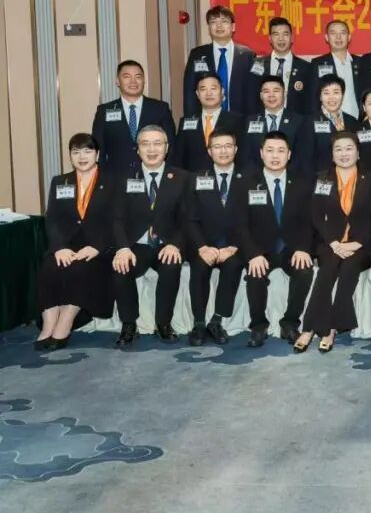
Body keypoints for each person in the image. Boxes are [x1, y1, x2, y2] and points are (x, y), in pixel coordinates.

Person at [295, 131, 371, 353]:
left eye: (349, 148)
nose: (344, 153)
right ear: (332, 154)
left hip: (362, 245)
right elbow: (316, 216)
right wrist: (334, 243)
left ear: (358, 153)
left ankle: (329, 329)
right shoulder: (322, 178)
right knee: (326, 271)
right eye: (338, 149)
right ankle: (309, 328)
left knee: (349, 270)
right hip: (331, 241)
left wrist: (358, 243)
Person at [235, 132, 315, 348]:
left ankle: (289, 323)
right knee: (255, 274)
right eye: (269, 150)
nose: (275, 156)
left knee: (305, 271)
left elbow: (310, 221)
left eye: (281, 151)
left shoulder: (302, 182)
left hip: (291, 247)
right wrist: (253, 254)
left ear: (289, 154)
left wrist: (303, 248)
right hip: (261, 248)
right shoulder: (246, 182)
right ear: (261, 153)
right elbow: (240, 224)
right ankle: (258, 326)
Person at [111, 125, 188, 347]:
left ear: (167, 148)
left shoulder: (182, 178)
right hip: (137, 244)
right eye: (145, 144)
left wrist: (175, 244)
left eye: (157, 144)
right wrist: (123, 247)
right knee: (120, 267)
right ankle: (129, 324)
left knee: (171, 266)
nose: (151, 149)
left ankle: (163, 323)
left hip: (167, 243)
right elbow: (116, 218)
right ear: (138, 149)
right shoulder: (125, 178)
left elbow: (188, 219)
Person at [36, 133, 113, 350]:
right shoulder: (60, 181)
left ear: (97, 154)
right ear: (70, 156)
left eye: (87, 151)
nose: (82, 156)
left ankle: (66, 321)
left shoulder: (112, 182)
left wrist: (97, 247)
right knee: (49, 266)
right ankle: (48, 325)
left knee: (80, 269)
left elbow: (117, 220)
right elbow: (52, 219)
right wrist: (59, 248)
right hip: (66, 245)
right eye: (76, 152)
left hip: (96, 248)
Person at [183, 130, 248, 346]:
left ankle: (217, 321)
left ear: (236, 149)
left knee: (234, 265)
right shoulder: (196, 178)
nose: (223, 151)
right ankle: (199, 323)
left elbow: (254, 219)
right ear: (209, 151)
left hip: (234, 245)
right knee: (199, 267)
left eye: (228, 146)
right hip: (204, 244)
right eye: (217, 147)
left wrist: (234, 246)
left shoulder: (249, 178)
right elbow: (189, 219)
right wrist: (202, 247)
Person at [92, 60, 175, 176]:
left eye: (138, 77)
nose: (133, 81)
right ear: (118, 81)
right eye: (127, 77)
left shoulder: (160, 108)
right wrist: (101, 178)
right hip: (116, 178)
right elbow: (98, 149)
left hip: (153, 176)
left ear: (144, 80)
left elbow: (171, 146)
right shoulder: (104, 111)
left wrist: (167, 175)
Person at [182, 6, 255, 116]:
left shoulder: (248, 55)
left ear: (233, 27)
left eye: (224, 21)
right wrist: (191, 119)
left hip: (239, 120)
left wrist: (251, 120)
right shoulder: (197, 54)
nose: (219, 25)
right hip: (207, 120)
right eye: (213, 22)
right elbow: (189, 92)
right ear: (209, 28)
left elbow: (252, 94)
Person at [170, 74, 244, 172]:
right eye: (203, 89)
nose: (209, 93)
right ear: (197, 94)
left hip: (227, 177)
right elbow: (179, 157)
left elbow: (243, 155)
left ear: (222, 91)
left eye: (213, 88)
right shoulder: (186, 122)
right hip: (193, 178)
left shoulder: (238, 121)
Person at [239, 75, 311, 175]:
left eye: (276, 91)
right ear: (261, 95)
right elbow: (245, 155)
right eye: (266, 91)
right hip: (256, 178)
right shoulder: (249, 121)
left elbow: (303, 156)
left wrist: (284, 176)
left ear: (285, 93)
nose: (271, 95)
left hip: (290, 178)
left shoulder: (299, 121)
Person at [245, 16, 314, 115]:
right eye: (276, 34)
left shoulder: (306, 68)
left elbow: (310, 102)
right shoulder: (255, 64)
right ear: (270, 38)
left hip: (296, 122)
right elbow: (250, 97)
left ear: (292, 38)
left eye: (285, 34)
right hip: (263, 120)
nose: (281, 39)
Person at [310, 19, 363, 120]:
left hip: (356, 120)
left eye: (342, 33)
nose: (338, 37)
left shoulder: (361, 63)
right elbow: (313, 97)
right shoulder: (317, 64)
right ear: (327, 38)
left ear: (349, 37)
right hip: (329, 121)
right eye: (333, 33)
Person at [310, 76, 360, 174]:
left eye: (336, 92)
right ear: (320, 97)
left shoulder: (353, 121)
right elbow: (306, 158)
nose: (331, 97)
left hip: (351, 177)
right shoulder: (309, 122)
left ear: (342, 95)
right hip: (321, 178)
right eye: (326, 93)